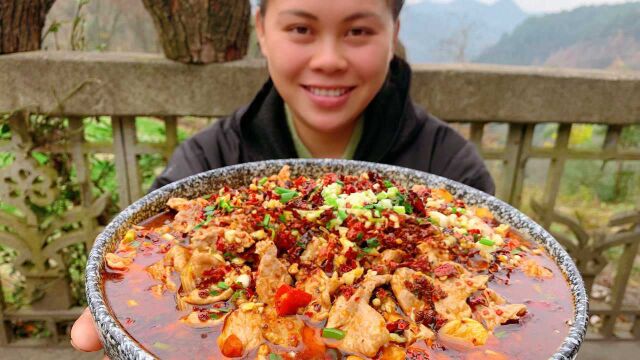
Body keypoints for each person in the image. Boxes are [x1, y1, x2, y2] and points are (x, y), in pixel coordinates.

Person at [70, 0, 494, 354]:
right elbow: (151, 243)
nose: (329, 60)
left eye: (358, 31)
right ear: (262, 29)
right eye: (300, 28)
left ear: (394, 32)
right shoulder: (206, 161)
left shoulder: (451, 168)